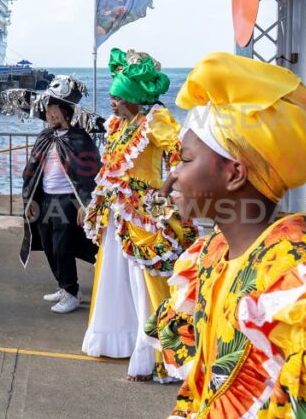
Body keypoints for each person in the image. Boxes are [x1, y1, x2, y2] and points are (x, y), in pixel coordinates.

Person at [148, 53, 306, 417]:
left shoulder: (299, 283)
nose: (171, 178)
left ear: (235, 174)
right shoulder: (211, 253)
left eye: (186, 160)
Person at [81, 49, 197, 382]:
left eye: (117, 96)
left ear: (132, 97)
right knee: (114, 276)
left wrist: (166, 189)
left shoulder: (155, 120)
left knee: (147, 280)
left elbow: (181, 154)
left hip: (147, 213)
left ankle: (157, 355)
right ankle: (118, 339)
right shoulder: (120, 124)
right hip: (118, 211)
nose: (112, 102)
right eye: (113, 96)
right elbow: (111, 170)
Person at [7, 76, 102, 314]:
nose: (49, 115)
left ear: (67, 113)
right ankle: (63, 286)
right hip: (46, 199)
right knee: (48, 244)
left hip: (68, 200)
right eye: (47, 110)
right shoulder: (45, 137)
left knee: (63, 247)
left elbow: (90, 174)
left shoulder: (80, 140)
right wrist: (29, 199)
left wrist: (85, 204)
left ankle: (72, 292)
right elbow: (31, 170)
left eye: (54, 111)